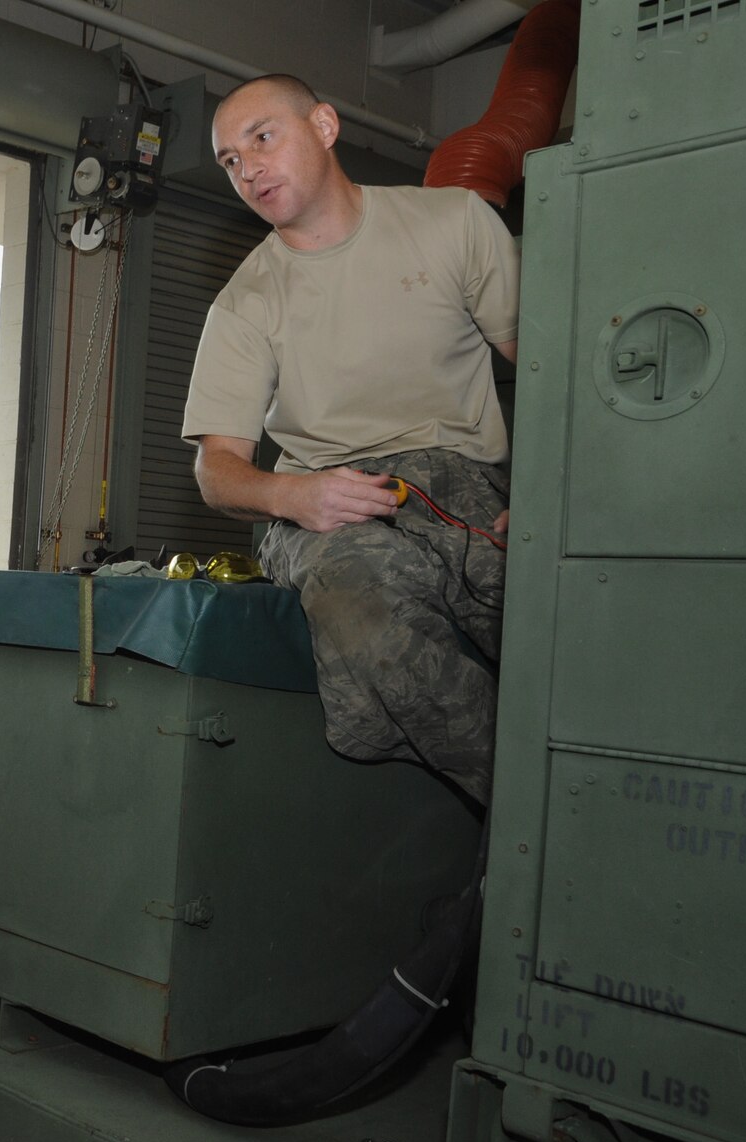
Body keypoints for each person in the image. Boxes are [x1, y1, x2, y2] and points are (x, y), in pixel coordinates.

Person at [182, 73, 519, 806]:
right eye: (229, 160)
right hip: (326, 496)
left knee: (564, 609)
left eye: (261, 138)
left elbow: (562, 375)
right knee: (362, 607)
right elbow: (217, 469)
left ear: (326, 126)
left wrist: (551, 498)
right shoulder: (245, 302)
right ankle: (542, 817)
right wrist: (293, 495)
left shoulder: (454, 223)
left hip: (463, 482)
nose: (247, 168)